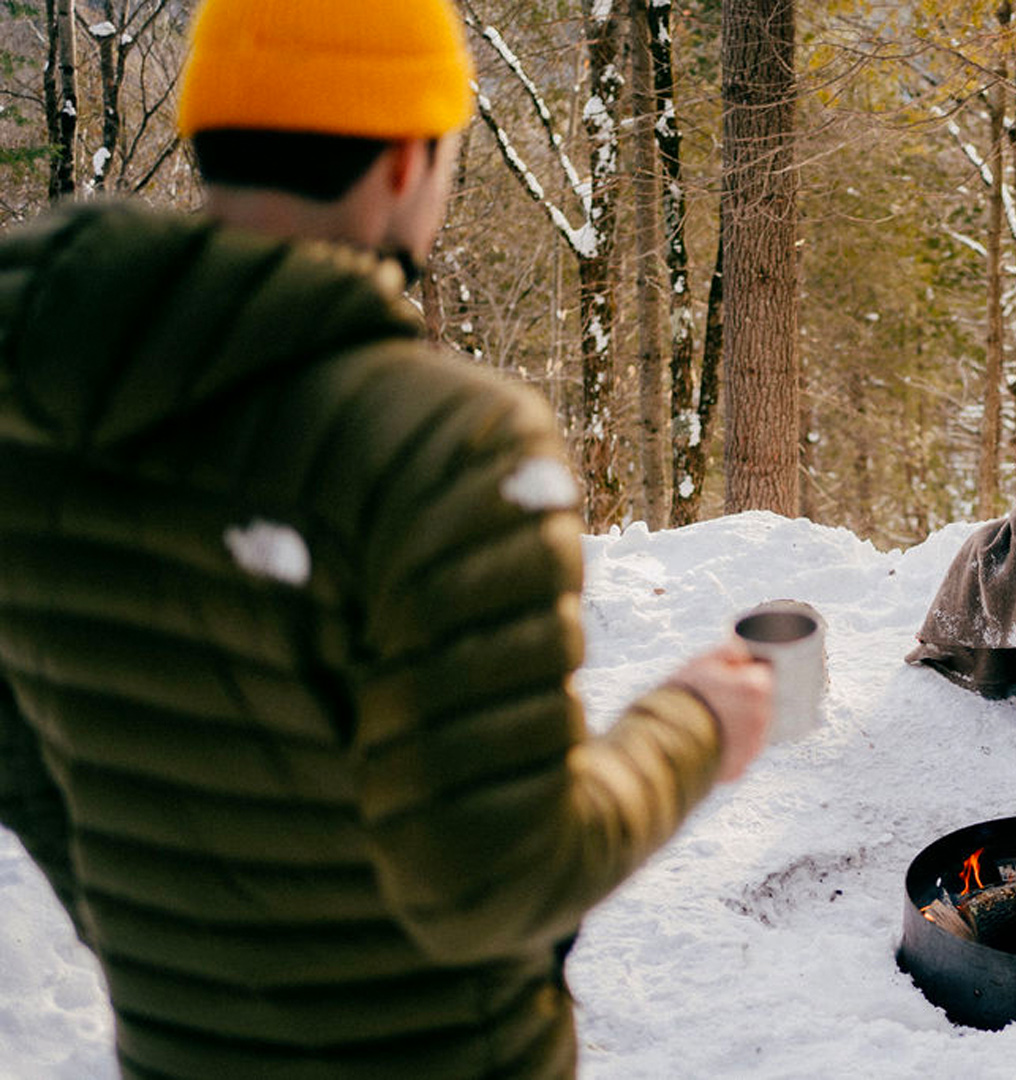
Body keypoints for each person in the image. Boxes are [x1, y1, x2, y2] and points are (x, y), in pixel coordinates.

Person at [0, 2, 773, 1077]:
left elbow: (20, 753)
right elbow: (500, 879)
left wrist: (166, 935)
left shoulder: (33, 393)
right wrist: (693, 723)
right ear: (409, 160)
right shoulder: (445, 448)